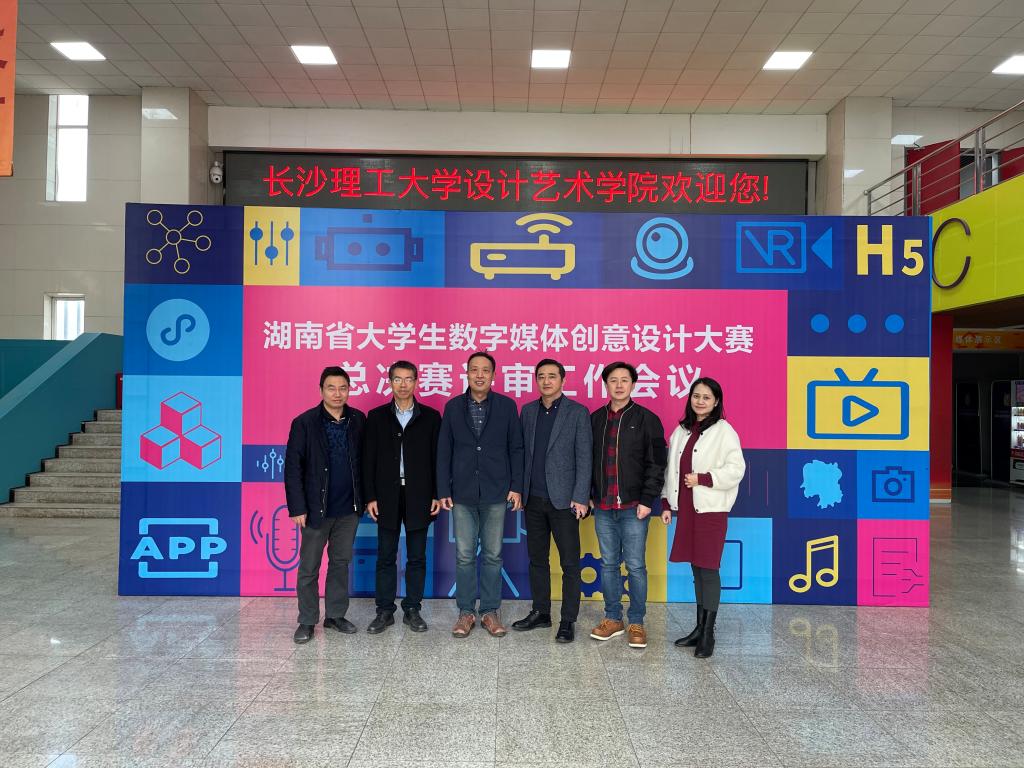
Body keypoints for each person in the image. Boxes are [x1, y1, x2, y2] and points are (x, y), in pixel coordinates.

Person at [437, 351, 525, 639]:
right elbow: (444, 450)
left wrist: (516, 486)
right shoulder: (453, 407)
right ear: (466, 373)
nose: (479, 375)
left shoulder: (507, 406)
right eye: (474, 369)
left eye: (485, 370)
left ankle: (489, 611)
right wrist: (443, 489)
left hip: (496, 491)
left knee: (493, 555)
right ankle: (465, 612)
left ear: (493, 375)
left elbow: (516, 448)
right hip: (462, 493)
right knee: (464, 556)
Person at [662, 377, 745, 658]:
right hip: (686, 509)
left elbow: (736, 469)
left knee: (708, 569)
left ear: (716, 401)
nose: (700, 401)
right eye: (696, 396)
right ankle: (699, 628)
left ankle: (708, 633)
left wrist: (704, 478)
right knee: (696, 568)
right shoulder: (681, 431)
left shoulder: (724, 431)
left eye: (706, 397)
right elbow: (671, 471)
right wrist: (666, 502)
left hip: (710, 510)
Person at [512, 359, 592, 644]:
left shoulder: (577, 412)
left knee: (570, 563)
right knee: (537, 560)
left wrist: (580, 496)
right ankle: (541, 612)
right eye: (541, 376)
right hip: (533, 499)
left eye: (552, 376)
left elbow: (585, 457)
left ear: (563, 380)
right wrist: (519, 490)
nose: (546, 381)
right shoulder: (528, 411)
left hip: (565, 502)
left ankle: (568, 620)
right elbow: (522, 453)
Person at [589, 362, 667, 650]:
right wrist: (588, 494)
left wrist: (648, 500)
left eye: (624, 380)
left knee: (635, 566)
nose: (619, 385)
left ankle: (636, 621)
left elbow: (657, 463)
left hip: (635, 507)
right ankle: (613, 618)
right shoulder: (595, 419)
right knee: (608, 564)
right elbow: (586, 460)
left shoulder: (648, 419)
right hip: (603, 506)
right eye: (613, 380)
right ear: (605, 385)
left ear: (633, 384)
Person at [285, 366, 365, 644]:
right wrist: (297, 507)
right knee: (309, 567)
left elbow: (366, 462)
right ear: (321, 390)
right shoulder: (305, 422)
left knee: (340, 563)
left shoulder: (358, 420)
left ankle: (335, 615)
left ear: (349, 390)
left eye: (343, 388)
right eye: (331, 388)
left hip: (349, 509)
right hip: (315, 510)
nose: (337, 393)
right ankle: (307, 620)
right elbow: (293, 468)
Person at [362, 360, 442, 634]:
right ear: (390, 382)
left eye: (409, 379)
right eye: (398, 379)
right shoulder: (376, 417)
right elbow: (368, 460)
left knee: (417, 556)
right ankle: (384, 611)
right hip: (386, 495)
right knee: (386, 555)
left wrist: (436, 494)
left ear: (416, 382)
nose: (403, 384)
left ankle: (412, 609)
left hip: (420, 495)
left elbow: (438, 460)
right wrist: (370, 496)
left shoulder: (431, 417)